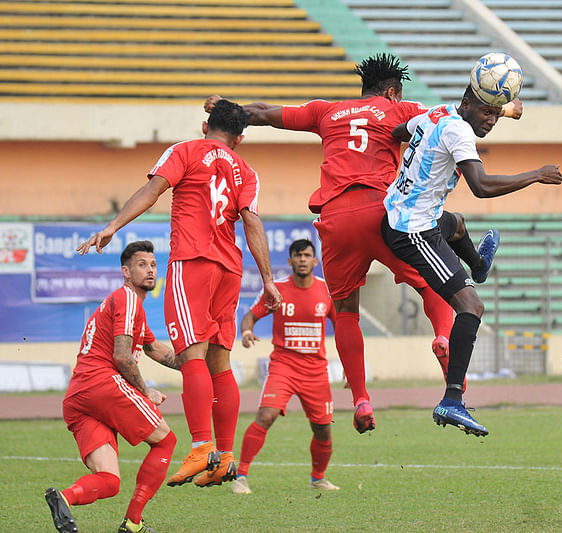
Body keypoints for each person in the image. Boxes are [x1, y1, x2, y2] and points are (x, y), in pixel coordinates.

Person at [203, 53, 521, 434]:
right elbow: (459, 113)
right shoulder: (401, 108)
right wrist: (510, 107)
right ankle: (442, 337)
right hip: (382, 215)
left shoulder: (326, 111)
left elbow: (264, 112)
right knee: (432, 280)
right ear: (391, 91)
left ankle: (361, 398)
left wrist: (226, 107)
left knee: (346, 309)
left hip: (336, 221)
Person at [77, 100, 282, 489]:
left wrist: (114, 226)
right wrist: (268, 278)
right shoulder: (247, 170)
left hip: (193, 261)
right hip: (230, 269)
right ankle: (224, 456)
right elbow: (252, 222)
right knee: (220, 362)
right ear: (239, 138)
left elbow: (153, 190)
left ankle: (202, 446)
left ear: (206, 125)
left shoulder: (186, 149)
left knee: (192, 356)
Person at [381, 82, 562, 436]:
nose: (491, 120)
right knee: (471, 307)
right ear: (467, 104)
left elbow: (399, 130)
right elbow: (481, 186)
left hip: (408, 213)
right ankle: (452, 399)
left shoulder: (437, 115)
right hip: (412, 231)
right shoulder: (458, 130)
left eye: (496, 114)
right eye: (487, 112)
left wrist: (503, 109)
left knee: (459, 225)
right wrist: (537, 175)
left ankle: (478, 266)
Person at [45, 241, 179, 533]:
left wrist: (194, 365)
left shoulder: (130, 306)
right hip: (102, 383)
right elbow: (121, 355)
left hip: (78, 396)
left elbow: (154, 348)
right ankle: (133, 523)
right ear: (125, 272)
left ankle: (63, 499)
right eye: (142, 264)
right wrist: (146, 392)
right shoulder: (129, 299)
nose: (150, 270)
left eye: (153, 265)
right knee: (166, 441)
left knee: (110, 481)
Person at [230, 239, 340, 495]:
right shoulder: (276, 289)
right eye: (297, 255)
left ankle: (318, 478)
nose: (302, 259)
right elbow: (251, 315)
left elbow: (344, 327)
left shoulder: (327, 291)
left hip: (316, 370)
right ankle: (241, 476)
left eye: (307, 255)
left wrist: (350, 366)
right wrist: (247, 331)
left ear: (315, 261)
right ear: (290, 261)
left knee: (323, 428)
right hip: (283, 366)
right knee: (265, 416)